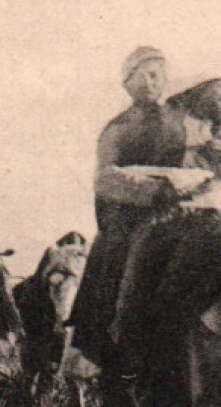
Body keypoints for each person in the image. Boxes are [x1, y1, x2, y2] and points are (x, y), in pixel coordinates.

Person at [108, 78, 221, 378]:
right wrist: (175, 179)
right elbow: (132, 172)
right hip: (170, 218)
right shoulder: (165, 134)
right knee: (141, 264)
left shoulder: (218, 146)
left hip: (216, 218)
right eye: (202, 116)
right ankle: (131, 349)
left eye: (214, 119)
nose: (205, 125)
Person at [69, 46, 189, 370]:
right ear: (128, 83)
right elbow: (105, 180)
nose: (153, 81)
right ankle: (113, 347)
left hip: (183, 215)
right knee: (118, 265)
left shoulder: (181, 123)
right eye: (146, 75)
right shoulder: (118, 129)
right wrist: (155, 191)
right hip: (133, 220)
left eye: (159, 74)